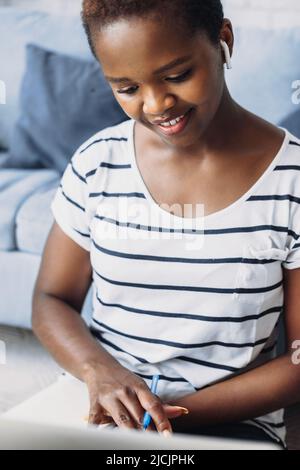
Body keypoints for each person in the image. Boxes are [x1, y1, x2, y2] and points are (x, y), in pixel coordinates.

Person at [28, 0, 300, 448]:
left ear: (223, 40)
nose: (156, 105)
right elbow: (50, 298)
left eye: (177, 75)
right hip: (100, 413)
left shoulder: (291, 180)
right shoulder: (97, 163)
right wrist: (102, 374)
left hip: (225, 425)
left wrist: (163, 415)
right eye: (127, 87)